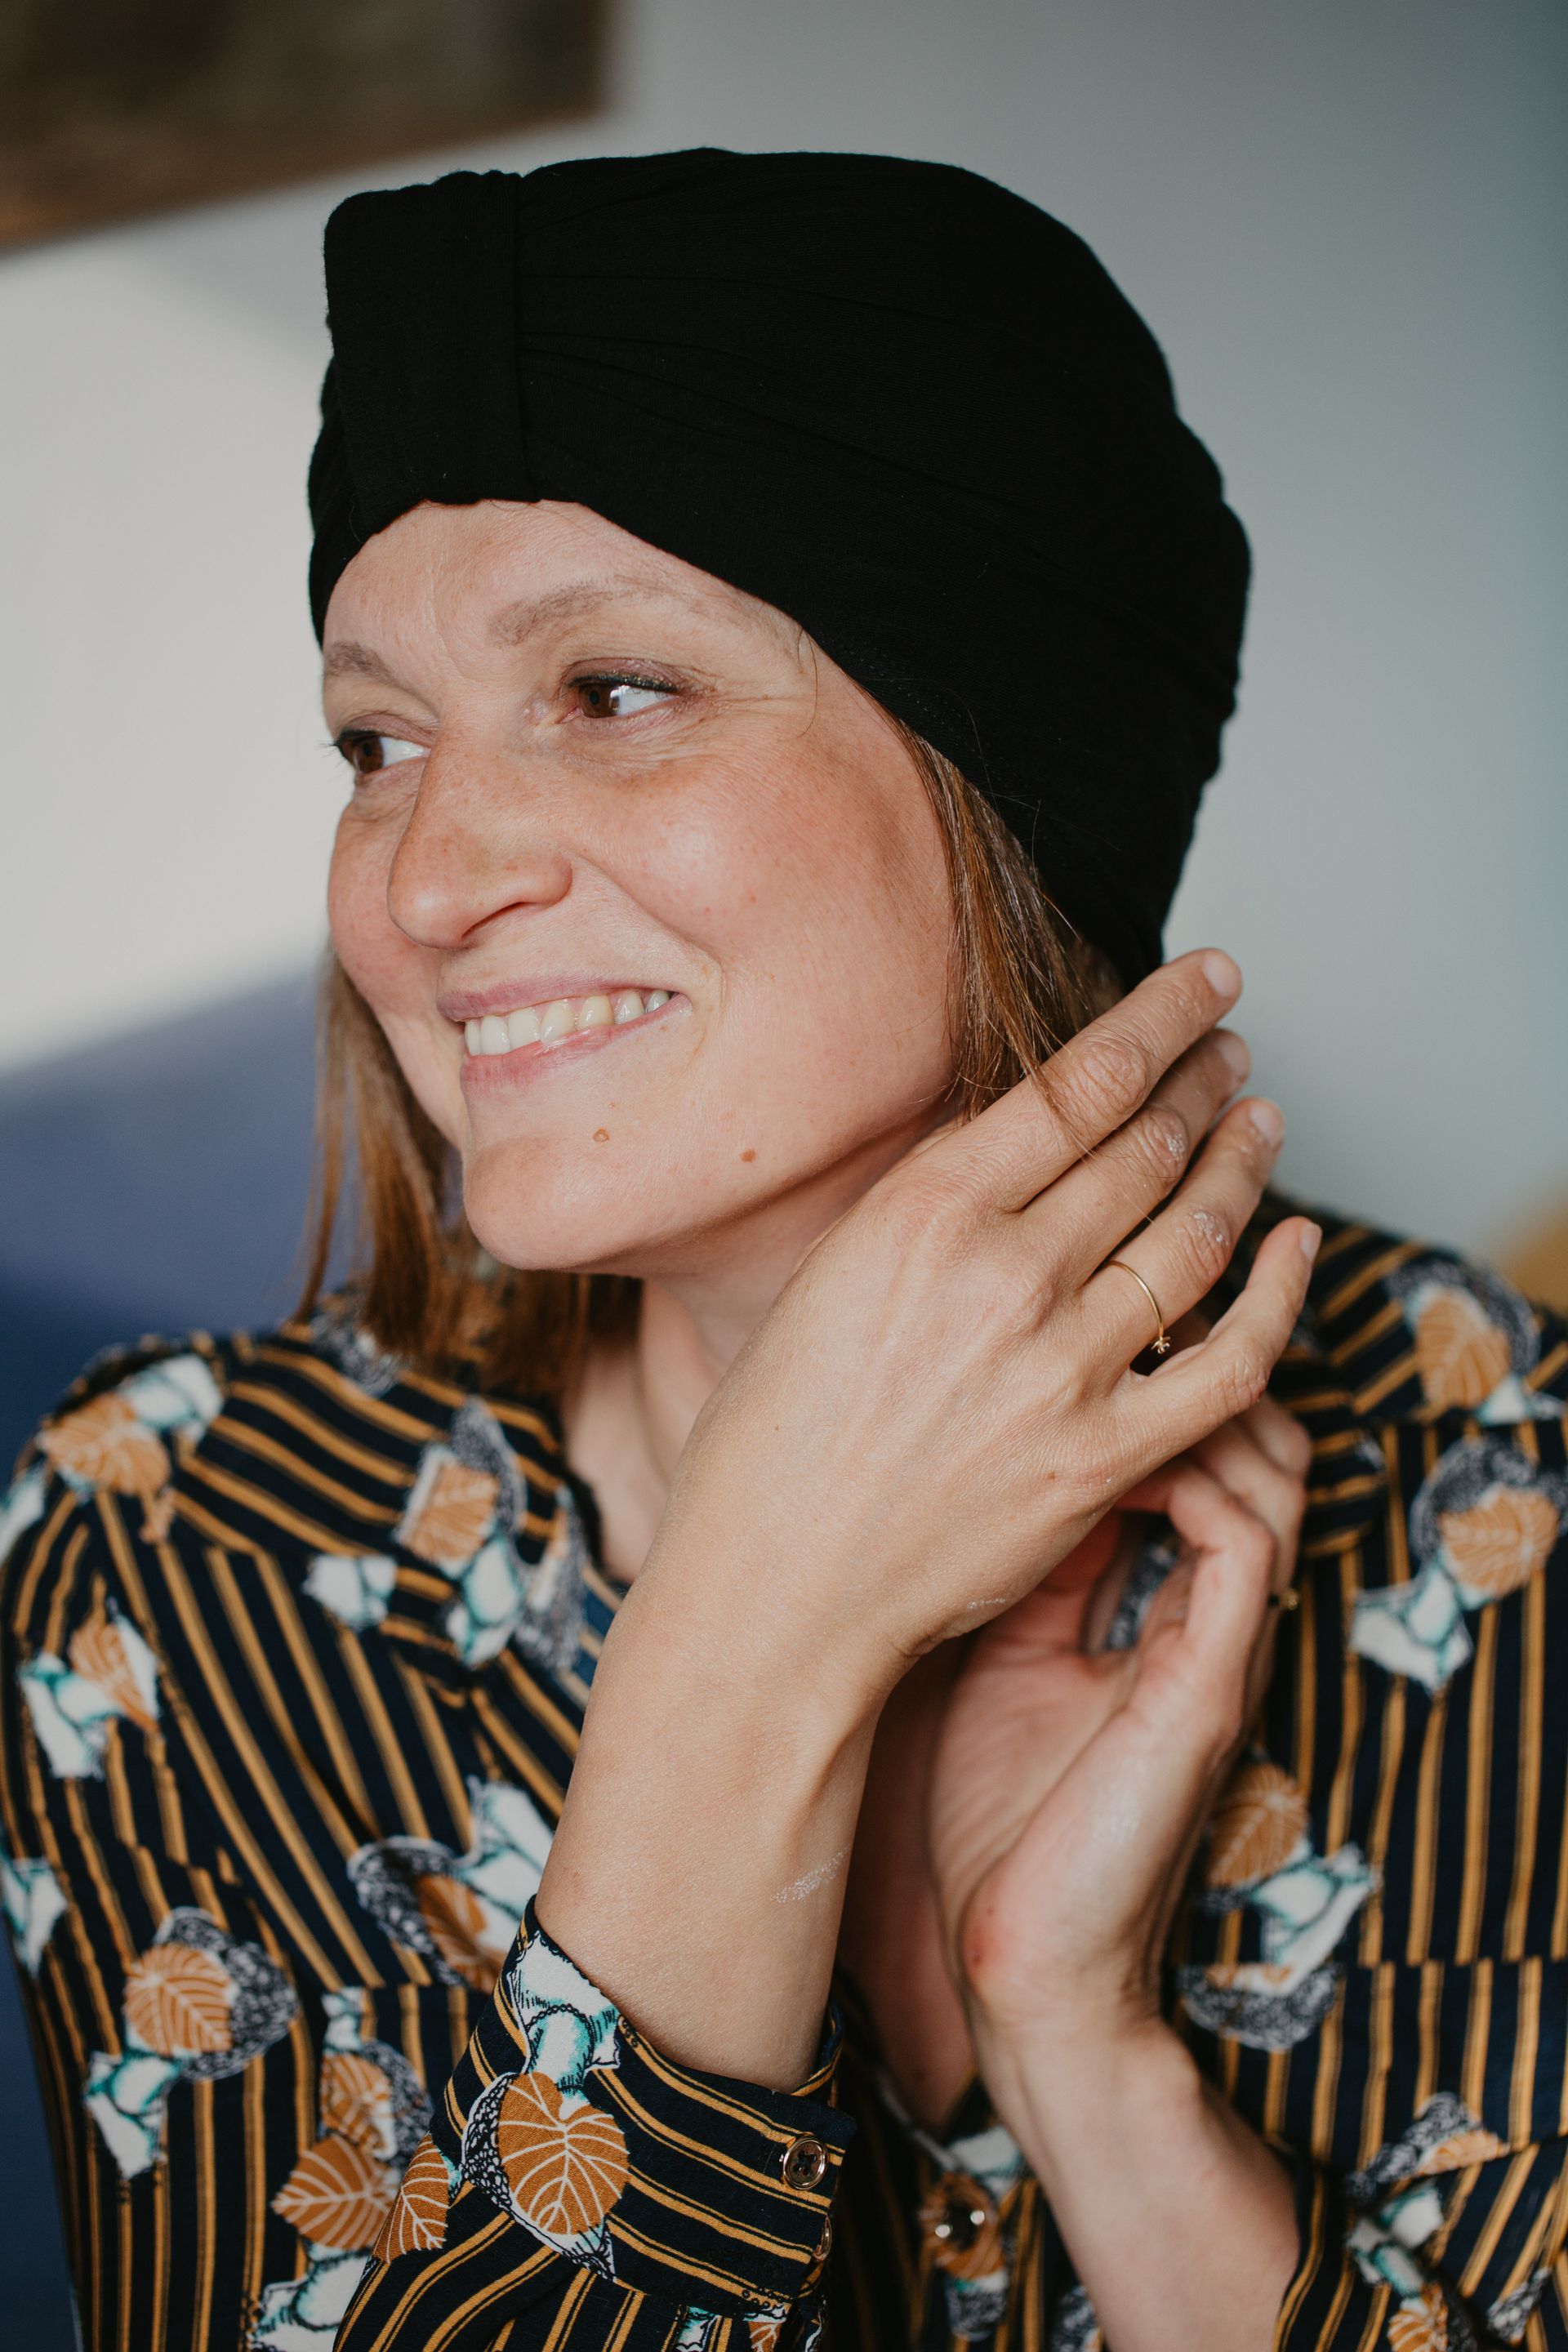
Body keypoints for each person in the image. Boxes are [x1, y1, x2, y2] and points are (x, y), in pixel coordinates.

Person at [2, 149, 1565, 2352]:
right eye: (377, 739)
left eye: (616, 691)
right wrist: (757, 1641)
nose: (426, 881)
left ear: (999, 756)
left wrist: (1085, 2055)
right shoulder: (187, 1544)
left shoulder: (1489, 1483)